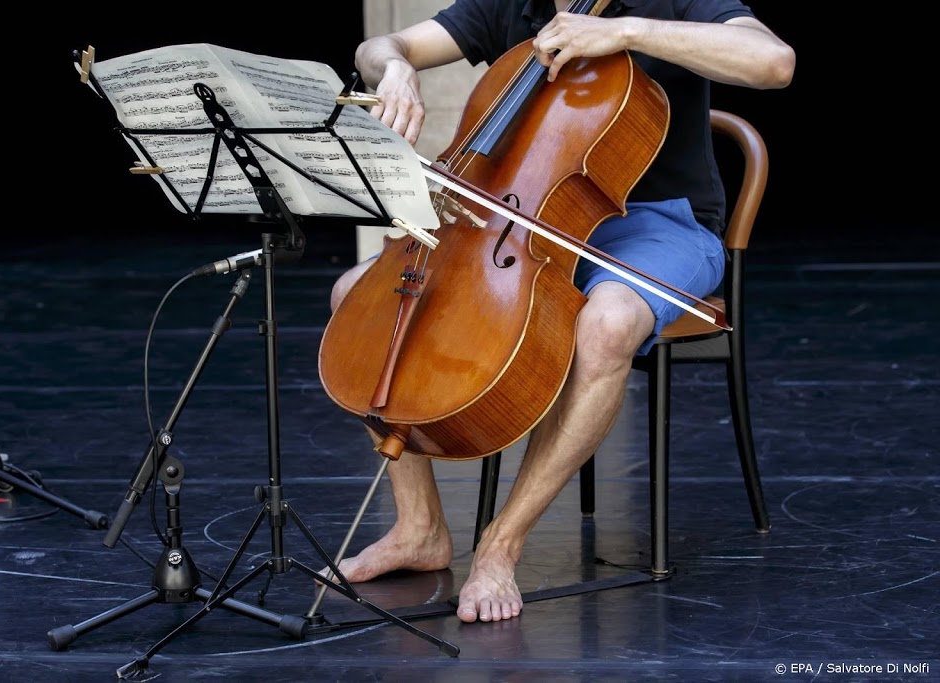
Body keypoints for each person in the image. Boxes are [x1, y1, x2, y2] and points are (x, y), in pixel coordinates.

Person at [324, 0, 795, 624]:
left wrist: (624, 31)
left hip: (659, 226)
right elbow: (376, 49)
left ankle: (502, 542)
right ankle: (420, 530)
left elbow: (775, 62)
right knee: (359, 293)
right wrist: (395, 68)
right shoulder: (506, 8)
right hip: (521, 218)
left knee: (607, 322)